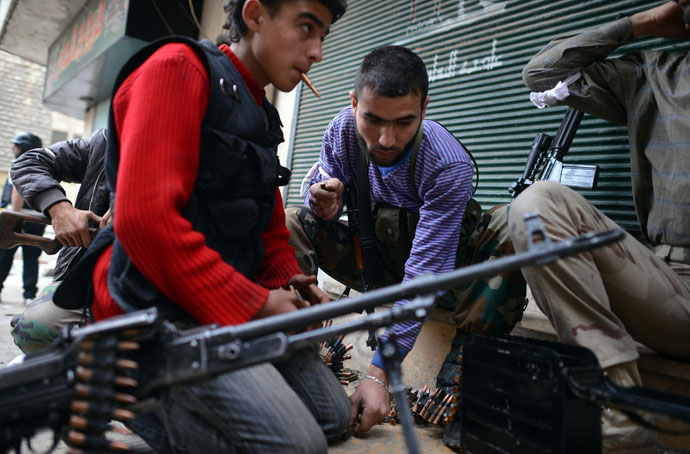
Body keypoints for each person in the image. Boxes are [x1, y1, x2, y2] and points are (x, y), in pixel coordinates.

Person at [53, 1, 350, 453]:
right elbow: (145, 223)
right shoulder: (175, 69)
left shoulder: (261, 116)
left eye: (324, 36)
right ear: (255, 15)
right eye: (306, 27)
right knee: (298, 447)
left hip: (220, 303)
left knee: (334, 417)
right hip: (151, 308)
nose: (317, 52)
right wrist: (256, 304)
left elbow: (268, 232)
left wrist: (290, 282)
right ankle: (127, 385)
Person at [286, 45, 526, 450]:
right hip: (374, 265)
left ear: (425, 108)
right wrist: (324, 199)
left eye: (404, 123)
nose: (385, 139)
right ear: (354, 103)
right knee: (290, 219)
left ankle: (461, 388)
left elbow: (424, 275)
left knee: (511, 224)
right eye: (372, 119)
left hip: (446, 278)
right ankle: (298, 361)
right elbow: (320, 184)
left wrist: (379, 375)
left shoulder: (446, 164)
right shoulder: (342, 132)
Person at [512, 1, 690, 452]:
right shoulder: (657, 72)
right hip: (676, 289)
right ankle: (621, 408)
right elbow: (542, 75)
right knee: (536, 203)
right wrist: (639, 23)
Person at [8, 129, 110, 353]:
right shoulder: (105, 142)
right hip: (86, 281)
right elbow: (30, 163)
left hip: (157, 288)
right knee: (31, 328)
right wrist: (59, 208)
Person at [0, 132, 46, 304]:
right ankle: (29, 295)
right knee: (31, 257)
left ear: (24, 147)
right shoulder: (44, 164)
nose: (13, 148)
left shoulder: (20, 165)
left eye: (16, 145)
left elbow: (17, 193)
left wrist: (17, 219)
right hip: (38, 220)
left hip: (17, 217)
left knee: (5, 255)